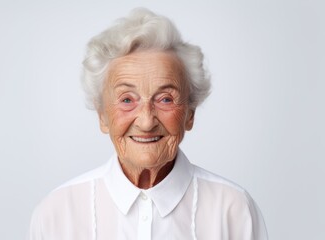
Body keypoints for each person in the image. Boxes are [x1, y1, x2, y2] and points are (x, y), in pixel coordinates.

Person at [27, 8, 268, 240]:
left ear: (190, 114)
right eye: (127, 100)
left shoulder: (234, 210)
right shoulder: (56, 213)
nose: (146, 121)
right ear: (103, 116)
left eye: (165, 99)